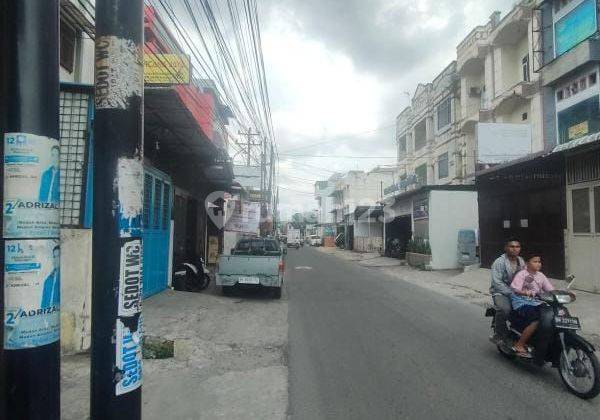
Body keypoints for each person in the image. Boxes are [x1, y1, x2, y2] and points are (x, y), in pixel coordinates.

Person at [509, 254, 555, 358]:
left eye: (539, 262)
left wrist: (566, 292)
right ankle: (519, 344)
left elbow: (551, 290)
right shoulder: (522, 274)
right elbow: (515, 289)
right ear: (527, 263)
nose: (538, 264)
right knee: (538, 319)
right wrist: (525, 292)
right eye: (535, 261)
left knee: (553, 316)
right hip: (521, 303)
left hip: (536, 303)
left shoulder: (541, 275)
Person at [490, 238, 525, 344]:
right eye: (512, 246)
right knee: (505, 309)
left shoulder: (521, 261)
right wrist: (512, 292)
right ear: (506, 248)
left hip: (517, 292)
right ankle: (499, 333)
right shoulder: (499, 262)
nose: (515, 249)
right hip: (500, 292)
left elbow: (524, 276)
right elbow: (497, 283)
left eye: (517, 247)